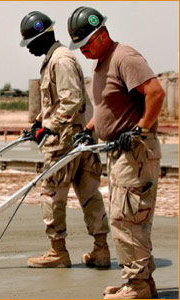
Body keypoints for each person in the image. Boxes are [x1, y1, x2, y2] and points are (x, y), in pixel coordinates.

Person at [68, 6, 165, 299]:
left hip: (134, 153)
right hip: (119, 154)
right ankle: (141, 283)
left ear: (102, 34)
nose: (82, 50)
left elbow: (156, 92)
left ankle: (136, 287)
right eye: (79, 46)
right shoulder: (102, 63)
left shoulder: (125, 57)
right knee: (129, 217)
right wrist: (89, 128)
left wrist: (141, 129)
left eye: (86, 43)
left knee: (127, 218)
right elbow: (109, 107)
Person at [19, 11, 110, 269]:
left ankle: (58, 251)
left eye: (30, 44)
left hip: (64, 143)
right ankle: (100, 250)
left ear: (42, 37)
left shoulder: (60, 61)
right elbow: (57, 101)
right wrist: (39, 121)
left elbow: (70, 100)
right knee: (90, 195)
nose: (29, 50)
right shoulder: (58, 59)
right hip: (80, 138)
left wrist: (47, 128)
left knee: (52, 196)